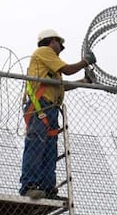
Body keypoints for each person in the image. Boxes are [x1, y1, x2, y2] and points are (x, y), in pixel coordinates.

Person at [20, 29, 96, 199]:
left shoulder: (51, 66)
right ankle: (29, 185)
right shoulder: (44, 52)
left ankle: (48, 189)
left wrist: (84, 81)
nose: (62, 47)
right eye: (60, 43)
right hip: (40, 107)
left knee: (49, 150)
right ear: (51, 41)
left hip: (49, 108)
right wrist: (86, 61)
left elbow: (62, 85)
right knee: (36, 146)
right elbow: (69, 70)